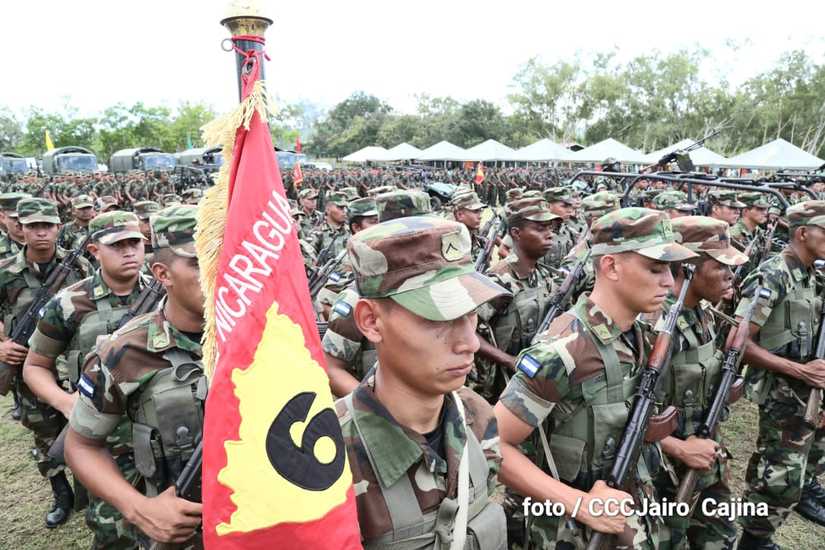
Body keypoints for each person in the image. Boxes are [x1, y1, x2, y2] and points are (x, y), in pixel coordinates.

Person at [494, 207, 697, 549]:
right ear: (611, 266)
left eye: (671, 270)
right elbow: (493, 445)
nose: (668, 281)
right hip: (571, 532)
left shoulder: (638, 337)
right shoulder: (565, 350)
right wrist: (579, 503)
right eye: (655, 268)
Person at [337, 215, 510, 549]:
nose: (470, 343)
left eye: (470, 313)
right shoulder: (328, 456)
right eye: (439, 318)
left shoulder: (475, 415)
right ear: (371, 321)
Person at [23, 211, 152, 549]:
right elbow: (35, 365)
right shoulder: (69, 303)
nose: (129, 252)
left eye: (134, 243)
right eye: (117, 245)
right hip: (103, 442)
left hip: (161, 433)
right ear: (95, 251)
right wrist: (66, 403)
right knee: (114, 533)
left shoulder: (164, 291)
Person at [651, 216, 748, 550]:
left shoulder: (703, 312)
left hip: (705, 454)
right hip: (663, 470)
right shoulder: (658, 325)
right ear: (688, 266)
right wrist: (678, 448)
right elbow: (623, 411)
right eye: (720, 266)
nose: (730, 275)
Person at [735, 201, 825, 550]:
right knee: (777, 477)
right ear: (803, 233)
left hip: (807, 391)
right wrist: (799, 370)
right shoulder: (773, 274)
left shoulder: (810, 274)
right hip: (781, 393)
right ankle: (754, 541)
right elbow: (738, 343)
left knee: (798, 469)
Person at [0, 197, 92, 528]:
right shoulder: (6, 271)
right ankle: (60, 492)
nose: (41, 232)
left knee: (86, 427)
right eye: (33, 226)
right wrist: (1, 347)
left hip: (75, 362)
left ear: (58, 228)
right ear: (20, 229)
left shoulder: (79, 266)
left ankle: (88, 488)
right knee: (44, 431)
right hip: (28, 366)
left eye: (47, 225)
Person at [323, 190, 432, 397]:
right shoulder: (361, 295)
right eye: (413, 236)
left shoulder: (443, 286)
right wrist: (377, 409)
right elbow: (331, 368)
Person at [473, 198, 559, 403]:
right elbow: (466, 331)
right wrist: (509, 361)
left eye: (550, 228)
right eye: (540, 228)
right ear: (516, 233)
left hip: (533, 382)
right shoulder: (499, 280)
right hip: (499, 390)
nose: (549, 234)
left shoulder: (544, 276)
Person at [314, 196, 379, 320]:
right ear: (356, 228)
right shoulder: (349, 257)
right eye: (373, 221)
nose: (380, 226)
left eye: (382, 220)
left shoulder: (395, 246)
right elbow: (326, 293)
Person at [311, 191, 350, 266]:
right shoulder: (318, 233)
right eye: (340, 207)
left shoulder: (352, 231)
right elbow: (310, 261)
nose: (345, 211)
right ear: (328, 209)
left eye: (346, 207)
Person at [449, 187, 486, 260]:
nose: (480, 216)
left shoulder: (474, 233)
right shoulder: (449, 239)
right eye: (475, 211)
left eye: (480, 211)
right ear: (459, 215)